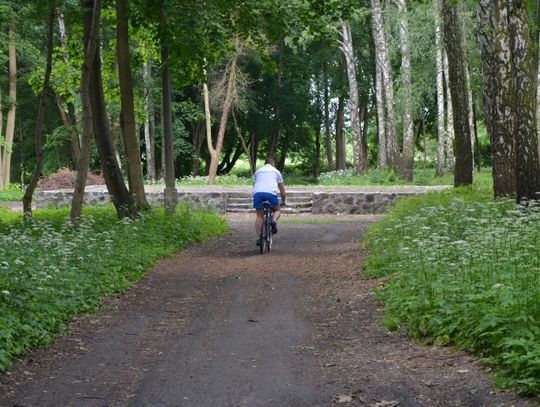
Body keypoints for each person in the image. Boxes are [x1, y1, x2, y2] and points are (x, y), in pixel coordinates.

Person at [253, 158, 286, 246]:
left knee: (259, 216)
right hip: (270, 194)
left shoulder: (258, 171)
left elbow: (254, 185)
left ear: (265, 164)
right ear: (273, 164)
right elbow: (282, 188)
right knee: (277, 210)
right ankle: (274, 221)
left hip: (258, 194)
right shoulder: (276, 171)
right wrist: (283, 200)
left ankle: (258, 237)